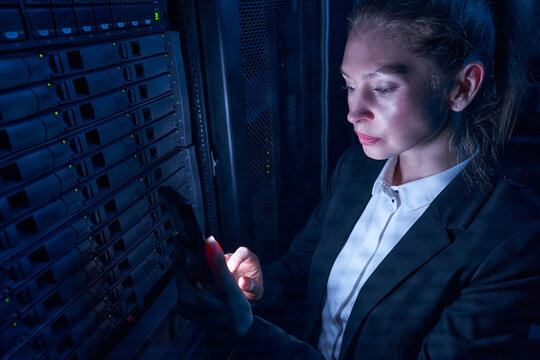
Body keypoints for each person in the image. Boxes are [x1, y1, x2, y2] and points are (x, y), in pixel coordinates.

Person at [174, 0, 540, 359]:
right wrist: (257, 285)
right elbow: (302, 270)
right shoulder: (354, 170)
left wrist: (249, 333)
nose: (353, 112)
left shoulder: (510, 236)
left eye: (382, 88)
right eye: (349, 85)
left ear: (461, 87)